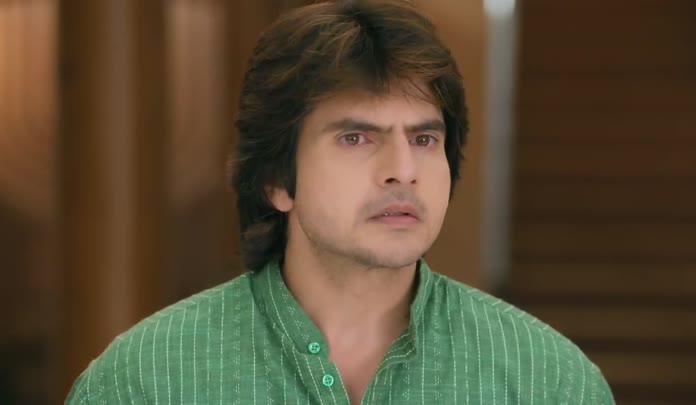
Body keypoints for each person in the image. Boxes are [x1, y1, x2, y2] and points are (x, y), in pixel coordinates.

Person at [67, 0, 614, 403]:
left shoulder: (547, 381)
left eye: (425, 139)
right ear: (277, 180)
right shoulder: (147, 379)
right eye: (356, 138)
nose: (403, 170)